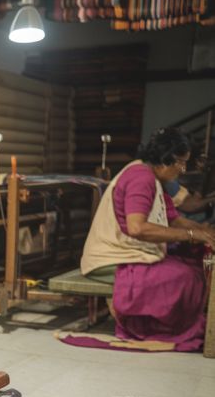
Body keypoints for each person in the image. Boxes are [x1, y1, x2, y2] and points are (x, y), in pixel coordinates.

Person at [81, 127, 215, 351]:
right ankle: (160, 329)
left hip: (129, 252)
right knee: (184, 276)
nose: (182, 170)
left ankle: (185, 323)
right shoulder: (140, 177)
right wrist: (192, 235)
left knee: (191, 265)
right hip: (110, 258)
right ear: (166, 159)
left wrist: (204, 231)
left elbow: (173, 219)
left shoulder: (152, 178)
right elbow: (137, 227)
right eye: (181, 163)